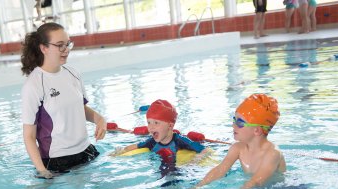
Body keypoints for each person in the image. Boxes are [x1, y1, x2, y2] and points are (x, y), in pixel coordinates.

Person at [21, 22, 107, 179]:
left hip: (86, 151)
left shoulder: (72, 73)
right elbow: (29, 136)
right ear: (44, 48)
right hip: (57, 161)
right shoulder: (34, 84)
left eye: (68, 44)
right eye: (60, 45)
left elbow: (80, 108)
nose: (66, 50)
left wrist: (100, 119)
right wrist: (42, 171)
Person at [187, 94, 286, 189]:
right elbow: (220, 170)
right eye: (234, 119)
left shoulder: (272, 153)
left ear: (257, 130)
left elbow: (257, 180)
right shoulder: (238, 148)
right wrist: (196, 188)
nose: (233, 125)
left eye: (239, 123)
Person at [111, 99, 211, 164]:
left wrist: (194, 161)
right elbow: (136, 146)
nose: (151, 127)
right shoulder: (152, 141)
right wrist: (119, 152)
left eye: (156, 123)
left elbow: (205, 150)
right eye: (149, 122)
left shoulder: (180, 140)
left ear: (170, 125)